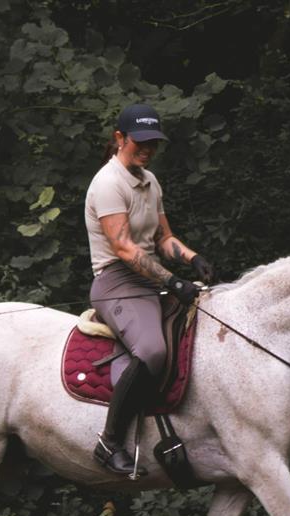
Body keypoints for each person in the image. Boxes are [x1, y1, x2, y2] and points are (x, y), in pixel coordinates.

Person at [85, 102, 216, 476]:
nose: (146, 149)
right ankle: (109, 441)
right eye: (139, 142)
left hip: (150, 276)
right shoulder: (108, 184)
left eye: (153, 143)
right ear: (119, 138)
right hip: (116, 279)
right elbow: (125, 249)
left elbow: (163, 238)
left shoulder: (149, 180)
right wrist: (172, 281)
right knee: (154, 351)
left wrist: (191, 259)